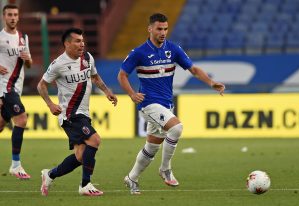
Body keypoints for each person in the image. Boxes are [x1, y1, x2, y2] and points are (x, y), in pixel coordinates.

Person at [117, 13, 225, 195]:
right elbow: (122, 75)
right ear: (150, 29)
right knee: (176, 128)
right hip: (148, 103)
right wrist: (131, 94)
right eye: (159, 28)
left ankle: (132, 178)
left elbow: (193, 69)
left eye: (165, 29)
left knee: (152, 147)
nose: (163, 32)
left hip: (166, 104)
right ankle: (165, 169)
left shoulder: (173, 49)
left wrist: (211, 82)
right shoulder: (139, 53)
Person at [37, 28, 118, 196]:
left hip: (84, 113)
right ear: (67, 44)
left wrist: (107, 91)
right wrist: (50, 104)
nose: (81, 44)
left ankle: (49, 174)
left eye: (82, 40)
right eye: (77, 41)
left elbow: (94, 77)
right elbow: (41, 85)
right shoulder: (59, 64)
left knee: (81, 156)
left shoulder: (88, 58)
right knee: (95, 140)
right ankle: (85, 185)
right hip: (70, 114)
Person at [0, 4, 33, 179]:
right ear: (4, 17)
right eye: (9, 15)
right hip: (5, 88)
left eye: (15, 15)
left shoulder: (23, 38)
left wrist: (27, 60)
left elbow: (29, 64)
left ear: (18, 17)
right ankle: (16, 165)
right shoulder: (0, 37)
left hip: (16, 87)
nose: (13, 17)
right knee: (21, 118)